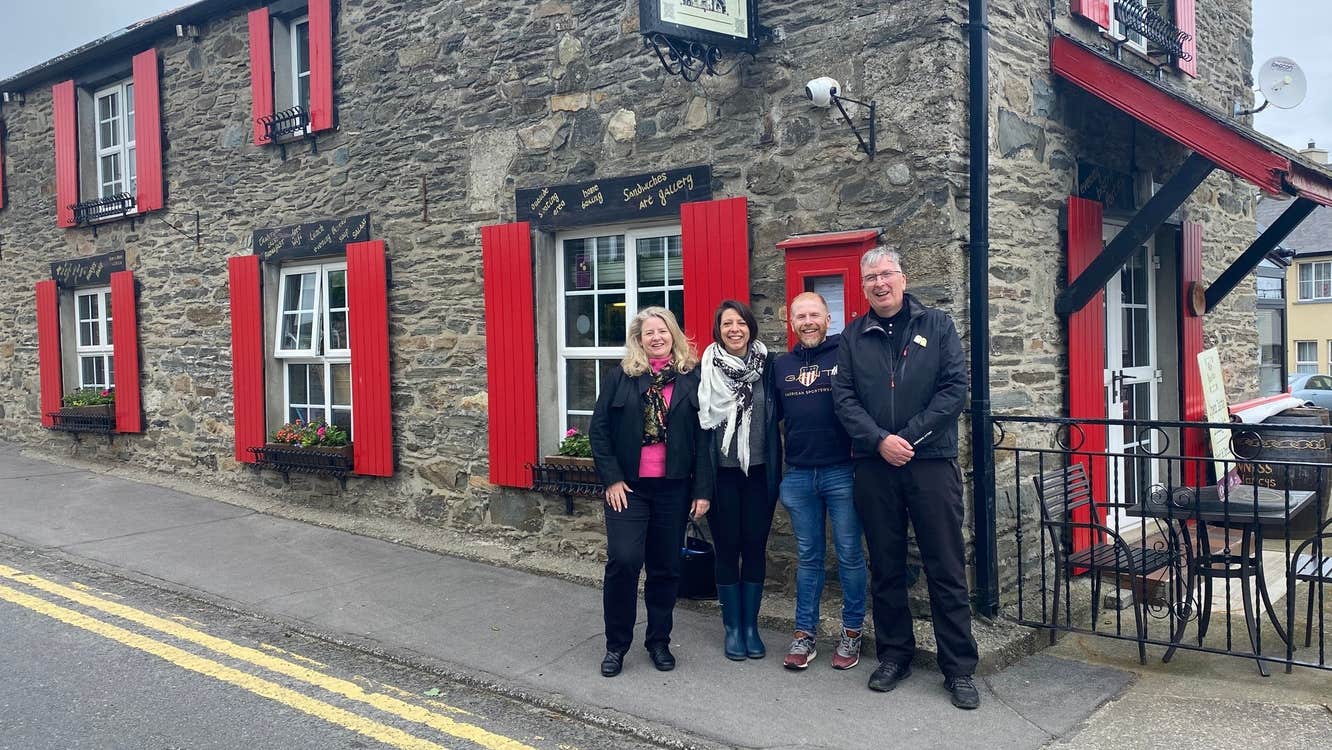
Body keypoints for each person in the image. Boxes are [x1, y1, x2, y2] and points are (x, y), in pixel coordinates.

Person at [832, 246, 981, 710]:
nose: (880, 283)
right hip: (875, 467)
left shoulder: (937, 325)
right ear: (862, 286)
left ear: (903, 276)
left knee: (946, 567)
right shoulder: (853, 336)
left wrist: (907, 439)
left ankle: (957, 668)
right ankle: (895, 654)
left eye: (887, 274)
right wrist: (879, 441)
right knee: (887, 566)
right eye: (871, 277)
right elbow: (844, 398)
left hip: (930, 463)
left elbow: (954, 389)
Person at [589, 307, 714, 678]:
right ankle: (616, 646)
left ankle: (659, 641)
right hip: (629, 488)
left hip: (674, 489)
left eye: (663, 331)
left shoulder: (693, 379)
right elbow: (599, 431)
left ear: (673, 335)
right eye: (649, 333)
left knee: (665, 568)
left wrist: (702, 490)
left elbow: (707, 438)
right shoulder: (621, 378)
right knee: (624, 561)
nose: (656, 338)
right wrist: (611, 479)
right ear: (639, 340)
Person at [773, 292, 866, 670]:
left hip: (842, 471)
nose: (808, 321)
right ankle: (805, 634)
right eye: (800, 316)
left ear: (829, 319)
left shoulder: (846, 354)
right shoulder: (780, 365)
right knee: (808, 558)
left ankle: (852, 632)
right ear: (790, 322)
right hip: (798, 474)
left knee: (849, 555)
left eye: (814, 314)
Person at [697, 299, 781, 660]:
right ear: (719, 330)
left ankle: (751, 626)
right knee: (728, 547)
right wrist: (700, 488)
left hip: (760, 474)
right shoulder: (705, 370)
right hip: (724, 476)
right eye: (727, 324)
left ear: (750, 327)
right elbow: (700, 433)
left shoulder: (770, 366)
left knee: (755, 547)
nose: (735, 329)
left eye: (741, 323)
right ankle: (732, 628)